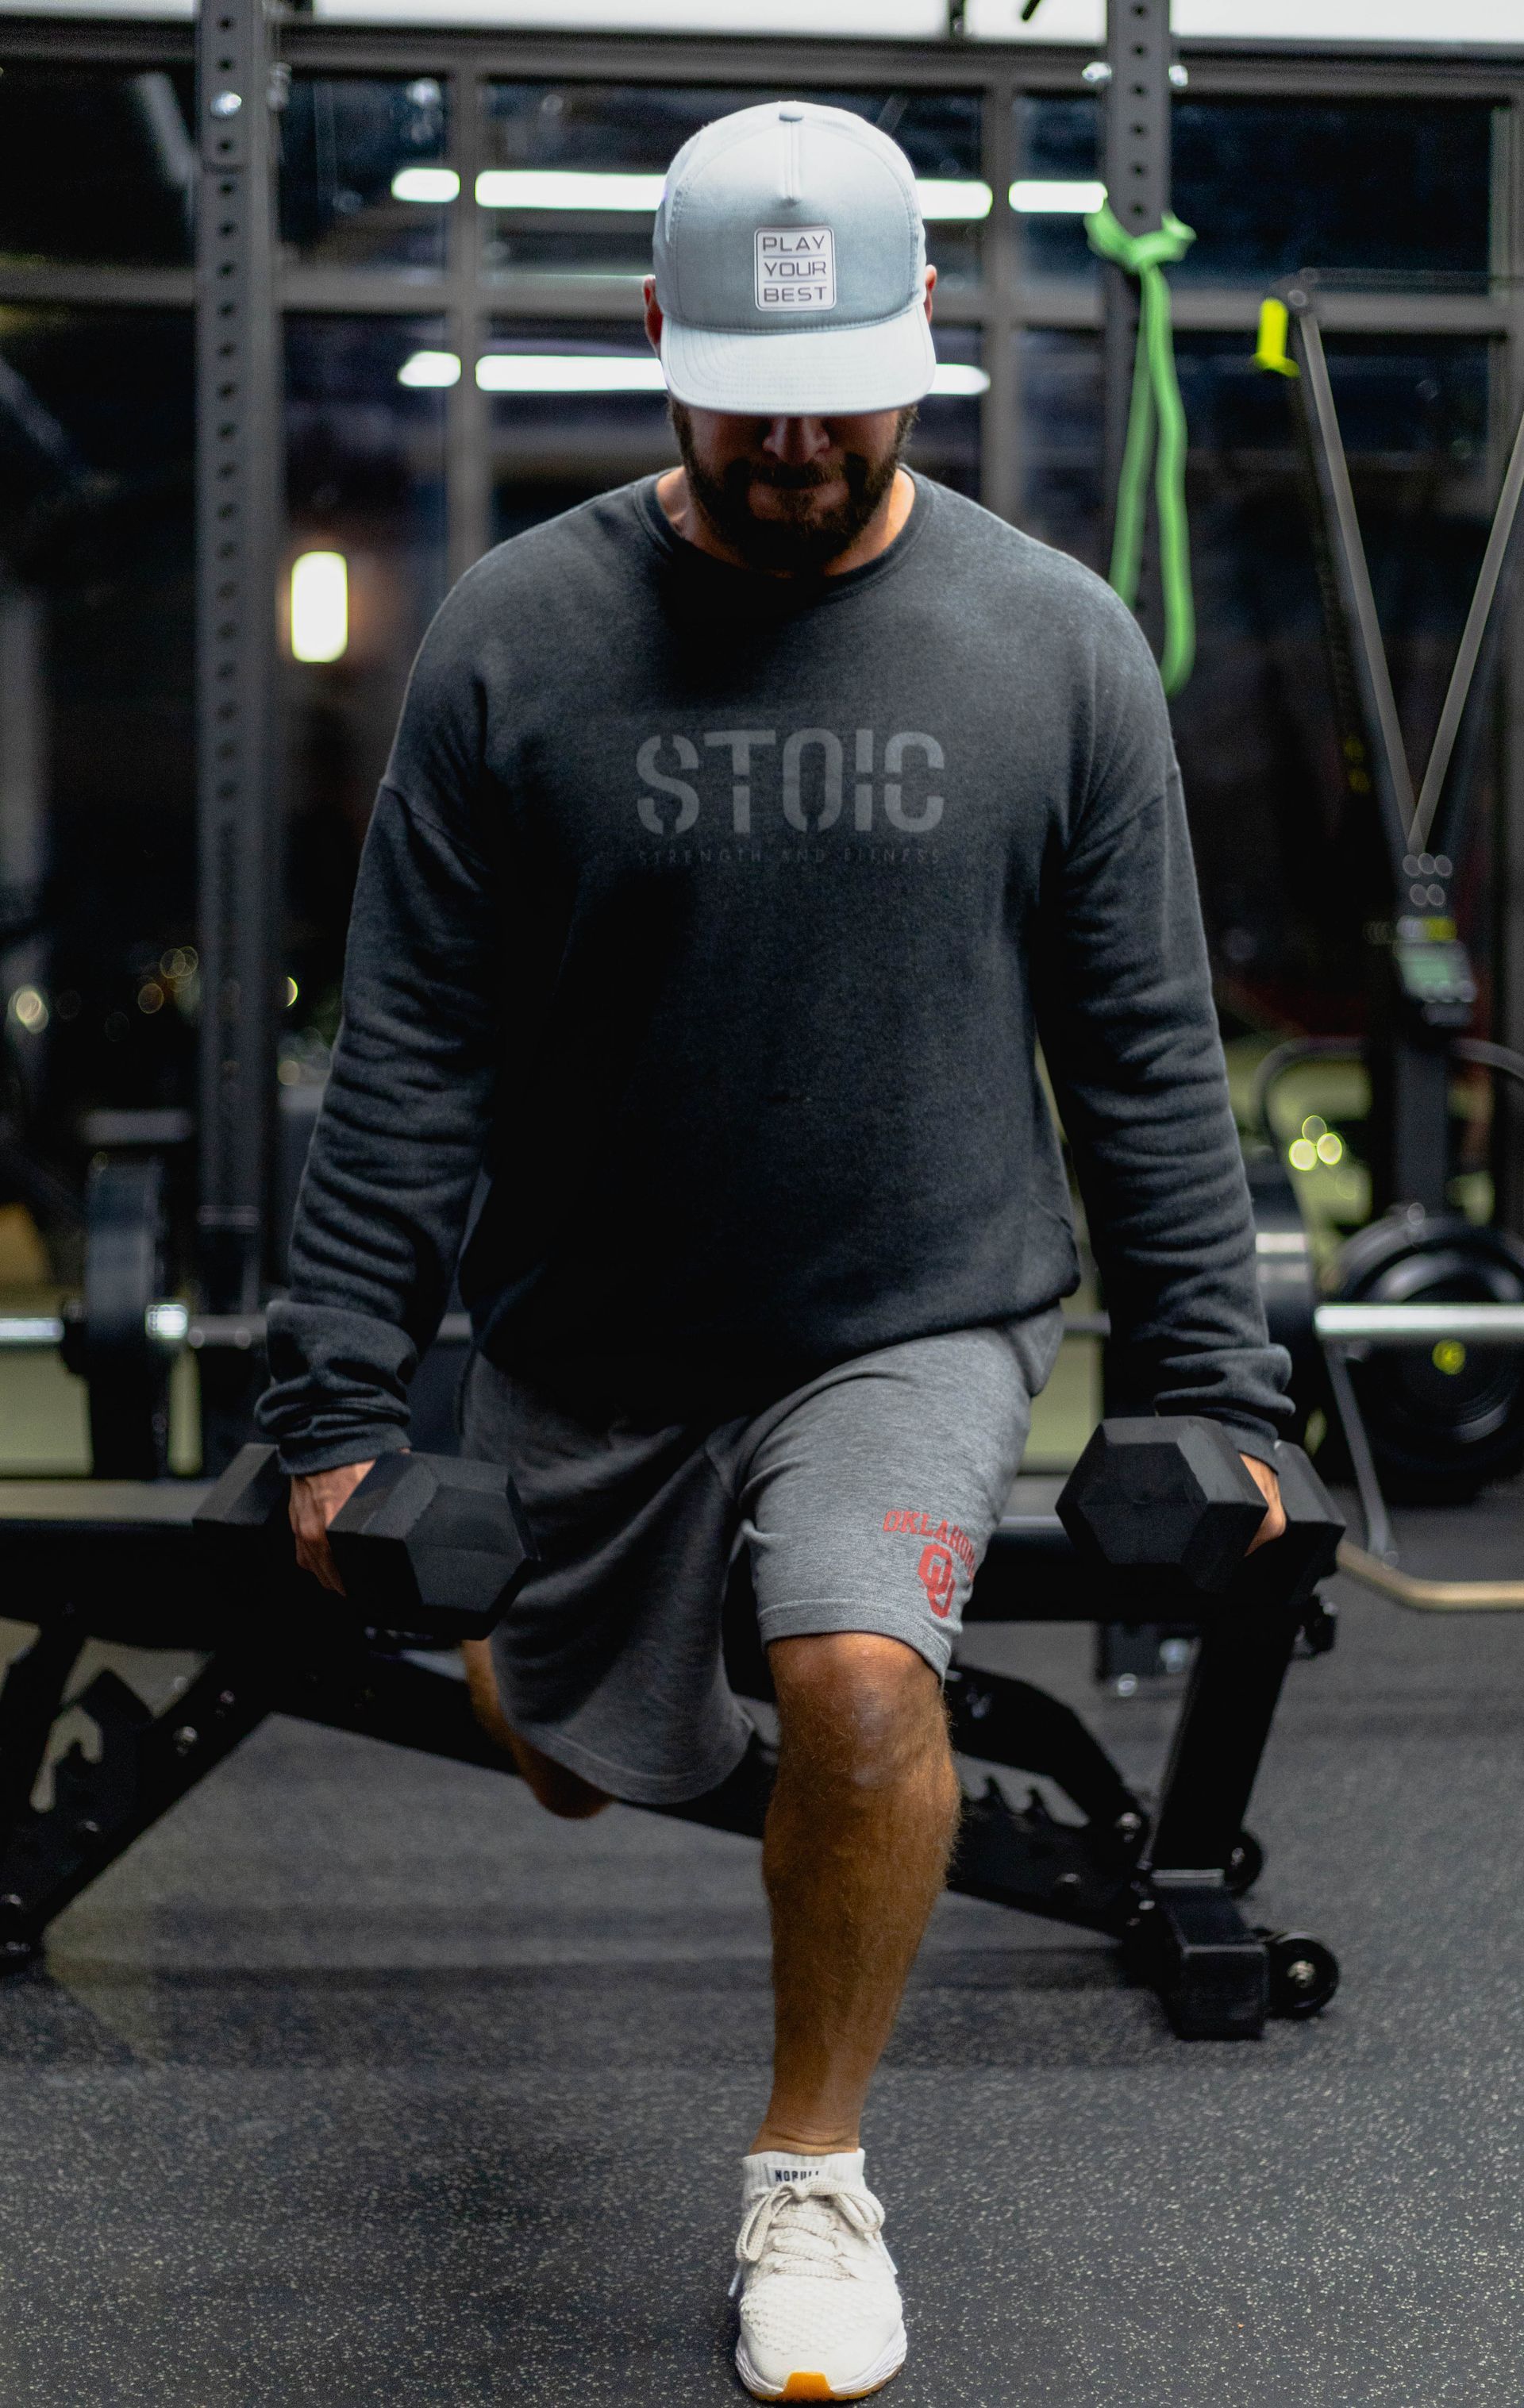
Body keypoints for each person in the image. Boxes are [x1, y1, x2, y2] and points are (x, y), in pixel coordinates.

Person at [259, 98, 1291, 2404]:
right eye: (750, 395)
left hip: (913, 1304)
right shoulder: (521, 639)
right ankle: (561, 1683)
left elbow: (1142, 1055)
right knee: (561, 1741)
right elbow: (411, 1053)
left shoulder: (1056, 642)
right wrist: (330, 1407)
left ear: (921, 350)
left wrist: (1210, 1389)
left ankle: (811, 2175)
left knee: (853, 1676)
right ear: (657, 342)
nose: (803, 442)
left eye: (844, 397)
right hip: (595, 1328)